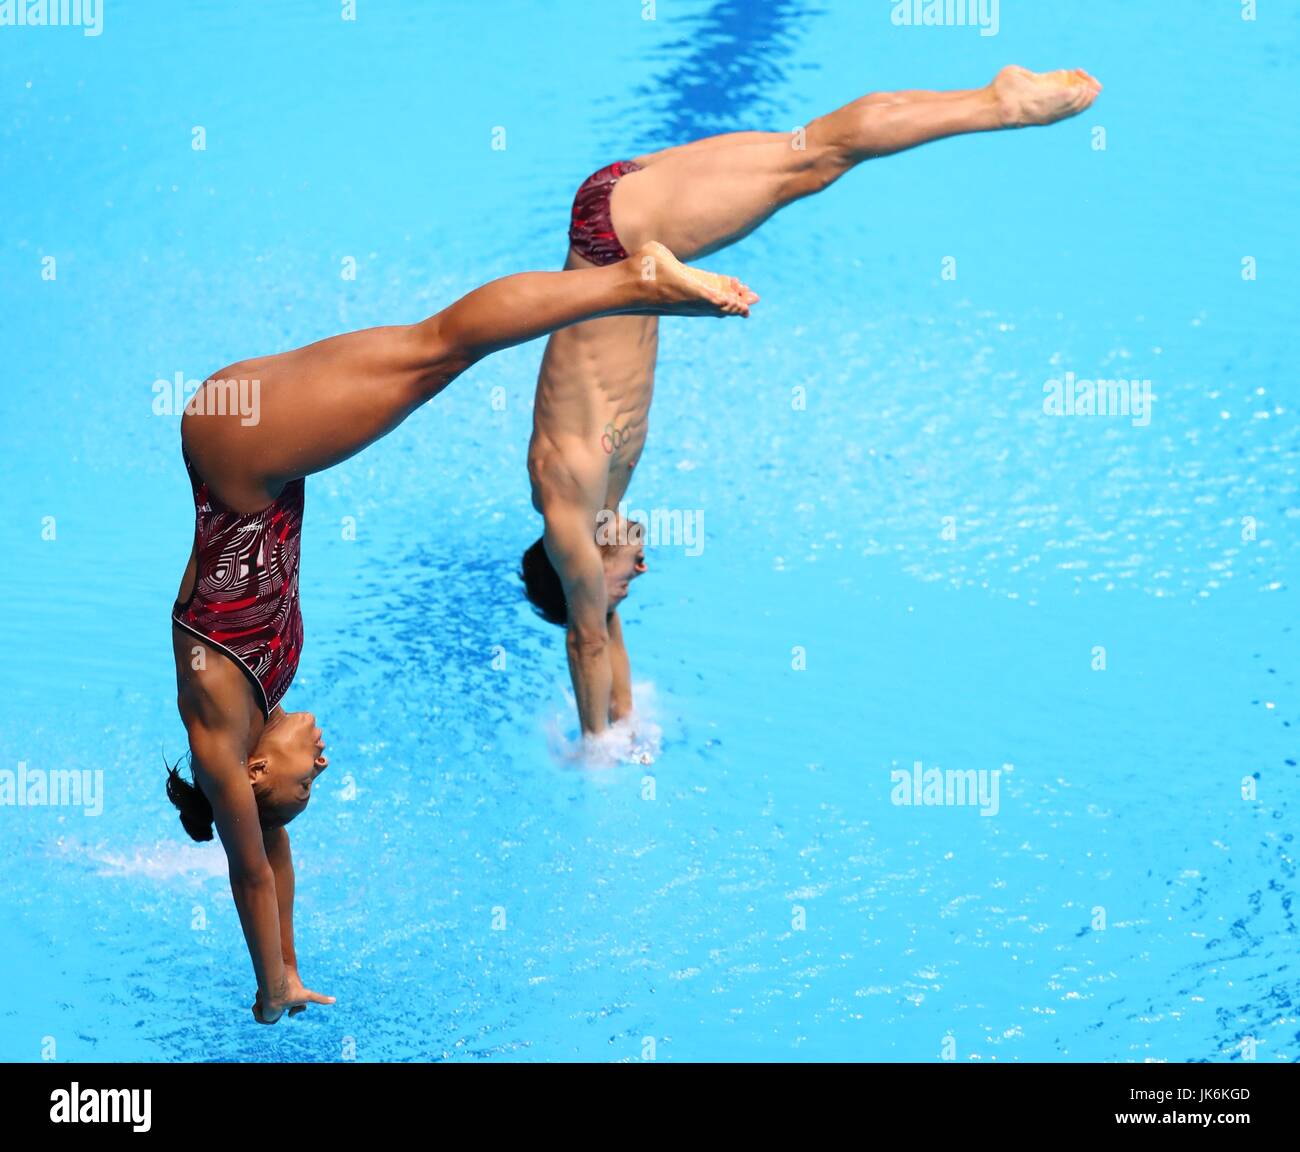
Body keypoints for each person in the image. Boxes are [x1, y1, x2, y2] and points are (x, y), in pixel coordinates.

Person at [165, 243, 758, 1023]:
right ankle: (622, 287)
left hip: (239, 449)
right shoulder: (250, 725)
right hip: (249, 443)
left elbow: (251, 870)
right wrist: (293, 967)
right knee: (435, 346)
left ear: (250, 776)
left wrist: (269, 990)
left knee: (444, 346)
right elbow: (271, 854)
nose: (323, 764)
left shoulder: (217, 724)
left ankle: (628, 283)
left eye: (306, 783)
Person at [522, 66, 1102, 739]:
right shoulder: (598, 511)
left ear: (580, 576)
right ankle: (987, 100)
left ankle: (1001, 106)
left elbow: (587, 641)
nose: (642, 569)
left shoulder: (569, 497)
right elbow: (604, 631)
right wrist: (625, 718)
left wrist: (595, 753)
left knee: (823, 155)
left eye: (623, 586)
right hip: (619, 214)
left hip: (625, 240)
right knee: (813, 149)